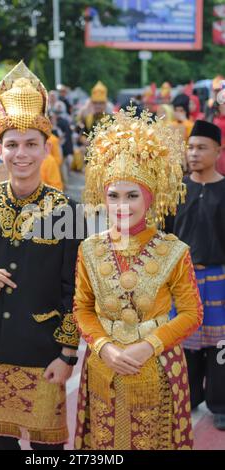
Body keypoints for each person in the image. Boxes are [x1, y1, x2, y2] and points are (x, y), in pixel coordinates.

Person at [0, 61, 83, 450]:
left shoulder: (67, 210)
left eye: (30, 145)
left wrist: (68, 355)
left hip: (42, 348)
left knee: (47, 450)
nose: (21, 154)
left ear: (46, 148)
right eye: (12, 145)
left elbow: (75, 287)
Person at [73, 106, 203, 450]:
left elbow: (192, 314)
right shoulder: (89, 249)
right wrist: (104, 348)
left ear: (150, 197)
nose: (121, 205)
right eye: (113, 195)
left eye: (132, 195)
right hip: (103, 368)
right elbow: (82, 309)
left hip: (158, 367)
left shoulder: (174, 251)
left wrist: (149, 346)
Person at [166, 120, 225, 431]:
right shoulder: (176, 189)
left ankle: (220, 403)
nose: (194, 153)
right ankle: (189, 396)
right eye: (190, 147)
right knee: (185, 345)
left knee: (220, 347)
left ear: (218, 150)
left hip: (219, 279)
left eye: (201, 147)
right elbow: (164, 235)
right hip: (183, 279)